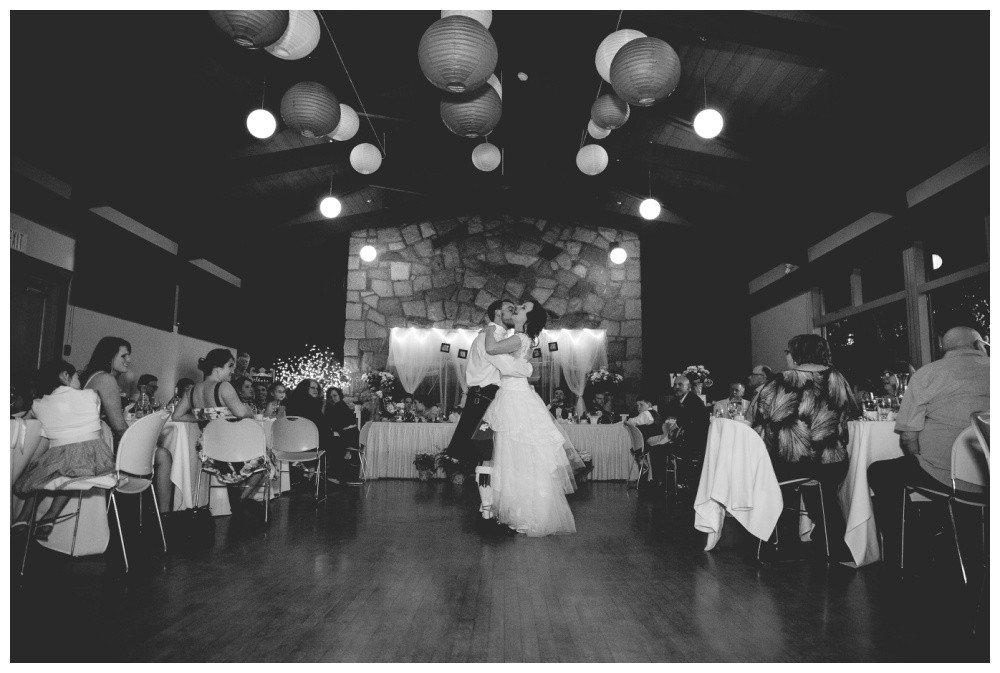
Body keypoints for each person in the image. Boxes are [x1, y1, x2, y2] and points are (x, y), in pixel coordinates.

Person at [868, 326, 990, 570]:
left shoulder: (928, 374)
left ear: (943, 348)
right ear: (979, 345)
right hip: (990, 473)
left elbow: (908, 438)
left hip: (948, 474)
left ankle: (912, 551)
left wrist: (919, 457)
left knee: (879, 472)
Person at [749, 334, 859, 561]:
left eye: (788, 352)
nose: (786, 356)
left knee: (771, 474)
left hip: (791, 462)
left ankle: (778, 539)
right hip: (832, 462)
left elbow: (756, 415)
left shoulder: (781, 380)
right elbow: (852, 412)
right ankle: (832, 542)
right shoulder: (838, 377)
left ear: (798, 353)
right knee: (821, 489)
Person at [483, 301, 576, 536]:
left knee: (518, 455)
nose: (516, 308)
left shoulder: (520, 338)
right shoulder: (521, 337)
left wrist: (489, 328)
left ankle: (527, 513)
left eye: (522, 307)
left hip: (515, 398)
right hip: (513, 395)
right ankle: (522, 512)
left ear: (528, 318)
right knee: (516, 456)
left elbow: (492, 349)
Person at [444, 298, 532, 528]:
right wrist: (525, 368)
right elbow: (505, 364)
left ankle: (492, 507)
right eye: (509, 309)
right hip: (486, 397)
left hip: (491, 396)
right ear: (496, 313)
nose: (513, 313)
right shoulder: (488, 336)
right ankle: (487, 508)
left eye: (516, 310)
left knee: (494, 455)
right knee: (488, 454)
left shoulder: (498, 336)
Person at [12, 360, 115, 539]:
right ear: (65, 376)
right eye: (76, 376)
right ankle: (50, 516)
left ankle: (22, 518)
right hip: (95, 457)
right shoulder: (91, 395)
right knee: (75, 472)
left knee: (43, 472)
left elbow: (30, 422)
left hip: (60, 456)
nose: (80, 382)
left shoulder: (38, 404)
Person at [171, 349, 273, 514]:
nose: (233, 371)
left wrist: (202, 416)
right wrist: (248, 410)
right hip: (232, 451)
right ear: (217, 368)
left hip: (209, 453)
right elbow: (241, 413)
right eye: (230, 366)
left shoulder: (192, 390)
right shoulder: (223, 386)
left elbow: (177, 415)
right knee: (267, 458)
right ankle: (239, 501)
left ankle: (237, 499)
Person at [646, 374, 709, 490]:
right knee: (653, 446)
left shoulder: (695, 402)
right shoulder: (675, 402)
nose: (676, 387)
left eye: (680, 384)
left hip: (692, 441)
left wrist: (679, 429)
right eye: (675, 385)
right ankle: (662, 482)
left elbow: (699, 425)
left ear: (689, 387)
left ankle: (673, 483)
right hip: (678, 438)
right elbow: (665, 417)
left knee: (660, 448)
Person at [81, 336, 132, 448]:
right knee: (162, 454)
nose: (129, 360)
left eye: (129, 356)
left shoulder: (94, 376)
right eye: (124, 356)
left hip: (87, 437)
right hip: (97, 441)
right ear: (109, 357)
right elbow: (119, 427)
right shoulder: (106, 379)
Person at [286, 379, 337, 487]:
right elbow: (322, 426)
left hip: (292, 443)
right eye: (312, 388)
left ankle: (310, 472)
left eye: (317, 388)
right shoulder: (312, 404)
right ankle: (315, 473)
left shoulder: (292, 402)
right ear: (305, 388)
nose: (316, 390)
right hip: (308, 443)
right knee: (333, 440)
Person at [324, 386, 361, 485]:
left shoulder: (338, 406)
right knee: (334, 443)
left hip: (351, 435)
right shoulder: (338, 405)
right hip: (353, 435)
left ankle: (335, 474)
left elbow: (336, 424)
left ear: (339, 395)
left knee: (334, 444)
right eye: (330, 396)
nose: (333, 398)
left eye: (335, 395)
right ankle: (340, 471)